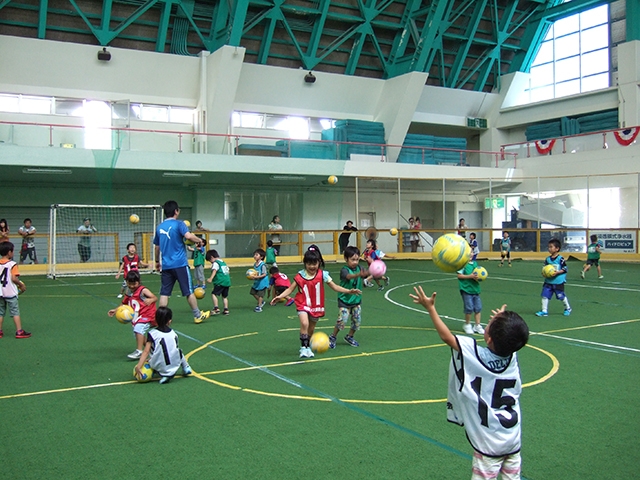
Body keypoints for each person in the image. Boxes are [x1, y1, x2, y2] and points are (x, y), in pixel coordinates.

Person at [410, 286, 529, 480]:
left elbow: (447, 337)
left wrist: (431, 309)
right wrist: (503, 322)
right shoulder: (512, 356)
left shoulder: (474, 354)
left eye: (491, 322)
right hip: (513, 440)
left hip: (489, 445)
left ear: (489, 337)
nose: (490, 321)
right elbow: (511, 338)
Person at [270, 246, 361, 358]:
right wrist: (279, 296)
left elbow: (335, 287)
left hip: (316, 305)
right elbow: (290, 289)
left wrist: (349, 291)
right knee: (304, 323)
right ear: (305, 264)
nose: (312, 266)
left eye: (314, 264)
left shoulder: (323, 275)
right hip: (302, 303)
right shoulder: (300, 276)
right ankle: (303, 348)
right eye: (309, 264)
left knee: (311, 328)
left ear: (319, 262)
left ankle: (307, 347)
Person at [153, 200, 211, 324]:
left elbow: (157, 247)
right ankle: (197, 315)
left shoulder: (159, 227)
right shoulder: (179, 224)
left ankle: (160, 319)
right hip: (179, 264)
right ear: (176, 211)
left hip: (166, 265)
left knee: (164, 293)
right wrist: (199, 241)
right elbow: (189, 237)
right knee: (188, 291)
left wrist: (157, 261)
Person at [134, 306, 192, 385]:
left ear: (156, 319)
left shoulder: (152, 333)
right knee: (179, 351)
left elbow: (146, 351)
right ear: (169, 321)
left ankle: (162, 373)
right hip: (175, 364)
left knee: (154, 351)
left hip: (159, 365)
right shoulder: (173, 334)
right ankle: (186, 367)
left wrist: (139, 366)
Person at [108, 270, 157, 360]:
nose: (131, 286)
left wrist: (151, 300)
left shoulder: (143, 290)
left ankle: (139, 351)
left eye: (134, 284)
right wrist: (115, 310)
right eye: (129, 284)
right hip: (138, 317)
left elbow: (154, 297)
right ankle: (152, 349)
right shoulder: (129, 291)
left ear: (139, 282)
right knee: (138, 334)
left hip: (148, 315)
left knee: (138, 330)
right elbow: (124, 303)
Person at [329, 245, 368, 349]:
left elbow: (367, 273)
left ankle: (350, 336)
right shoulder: (344, 270)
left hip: (356, 300)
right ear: (346, 259)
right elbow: (349, 277)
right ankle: (333, 336)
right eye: (352, 259)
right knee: (342, 320)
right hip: (345, 299)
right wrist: (359, 274)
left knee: (357, 320)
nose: (355, 262)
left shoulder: (360, 268)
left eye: (357, 259)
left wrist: (374, 267)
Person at [0, 242, 31, 339]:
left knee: (0, 312)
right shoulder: (12, 264)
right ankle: (19, 331)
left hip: (0, 292)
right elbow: (13, 278)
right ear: (9, 252)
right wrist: (21, 285)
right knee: (15, 312)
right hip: (10, 292)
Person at [536, 238, 572, 317]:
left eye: (551, 247)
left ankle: (567, 308)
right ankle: (544, 310)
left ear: (557, 248)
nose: (549, 248)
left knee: (561, 296)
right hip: (548, 281)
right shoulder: (548, 259)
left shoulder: (560, 259)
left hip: (558, 281)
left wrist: (558, 272)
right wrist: (544, 273)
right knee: (545, 296)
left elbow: (565, 269)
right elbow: (544, 268)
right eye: (548, 247)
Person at [457, 258, 485, 335]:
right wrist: (470, 276)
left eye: (471, 252)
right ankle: (467, 324)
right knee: (469, 308)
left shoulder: (475, 264)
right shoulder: (463, 264)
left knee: (478, 308)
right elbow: (459, 276)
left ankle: (477, 325)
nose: (470, 254)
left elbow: (478, 274)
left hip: (475, 290)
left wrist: (478, 277)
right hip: (466, 289)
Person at [206, 249, 231, 316]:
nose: (211, 262)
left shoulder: (216, 263)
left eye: (210, 261)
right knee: (224, 296)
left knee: (213, 294)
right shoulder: (223, 262)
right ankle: (226, 309)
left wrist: (210, 278)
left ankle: (216, 308)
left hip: (220, 282)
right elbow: (228, 271)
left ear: (212, 257)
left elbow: (214, 270)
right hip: (227, 282)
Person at [250, 248, 269, 312]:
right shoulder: (255, 264)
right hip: (257, 281)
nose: (255, 256)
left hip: (263, 282)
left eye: (256, 255)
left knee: (261, 294)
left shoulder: (262, 265)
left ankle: (259, 306)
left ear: (261, 257)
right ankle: (261, 302)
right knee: (252, 292)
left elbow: (264, 274)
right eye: (254, 255)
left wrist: (256, 277)